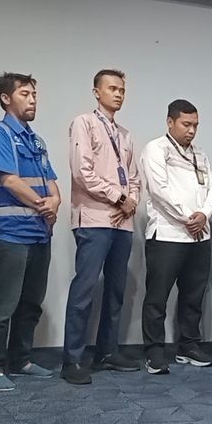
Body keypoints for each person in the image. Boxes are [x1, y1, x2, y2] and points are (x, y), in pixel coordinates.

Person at [0, 72, 60, 391]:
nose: (33, 99)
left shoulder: (36, 140)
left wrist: (54, 202)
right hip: (10, 233)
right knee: (3, 305)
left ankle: (21, 360)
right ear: (5, 98)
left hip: (39, 233)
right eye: (25, 94)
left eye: (34, 94)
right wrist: (44, 205)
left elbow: (52, 183)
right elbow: (9, 180)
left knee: (31, 304)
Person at [61, 69, 141, 385]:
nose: (118, 94)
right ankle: (72, 360)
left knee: (116, 291)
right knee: (84, 289)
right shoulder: (84, 123)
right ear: (96, 92)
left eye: (122, 89)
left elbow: (134, 178)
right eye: (112, 88)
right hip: (94, 219)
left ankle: (107, 352)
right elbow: (82, 172)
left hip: (122, 223)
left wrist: (131, 201)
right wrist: (119, 198)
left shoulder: (125, 134)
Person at [140, 99, 212, 374]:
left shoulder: (200, 154)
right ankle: (154, 351)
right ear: (170, 122)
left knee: (193, 296)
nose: (191, 130)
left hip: (199, 236)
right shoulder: (155, 149)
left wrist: (204, 215)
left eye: (195, 125)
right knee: (157, 297)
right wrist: (189, 218)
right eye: (186, 124)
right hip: (167, 234)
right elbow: (159, 191)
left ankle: (188, 345)